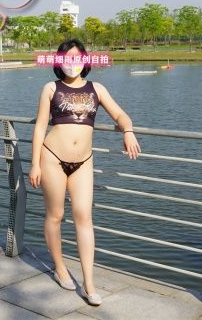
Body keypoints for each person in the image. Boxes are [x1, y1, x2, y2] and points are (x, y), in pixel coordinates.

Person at [29, 38, 141, 306]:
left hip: (84, 162)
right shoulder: (50, 88)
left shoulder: (97, 89)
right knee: (56, 215)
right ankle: (60, 268)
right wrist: (34, 164)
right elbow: (40, 127)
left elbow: (120, 115)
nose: (72, 63)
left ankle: (89, 283)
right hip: (52, 158)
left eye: (77, 58)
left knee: (84, 217)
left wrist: (127, 130)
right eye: (67, 59)